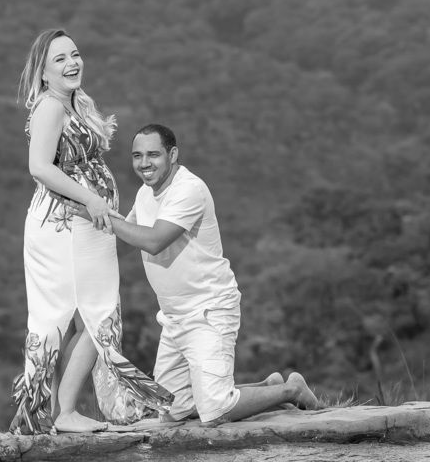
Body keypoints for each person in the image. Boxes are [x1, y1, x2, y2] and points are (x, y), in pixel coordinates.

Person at [10, 28, 166, 435]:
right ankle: (61, 413)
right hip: (66, 224)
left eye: (75, 54)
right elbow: (40, 167)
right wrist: (93, 200)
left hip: (87, 223)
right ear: (43, 73)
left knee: (93, 317)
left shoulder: (76, 103)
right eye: (59, 59)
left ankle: (61, 411)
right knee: (89, 316)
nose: (72, 63)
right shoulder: (49, 107)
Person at [108, 123, 319, 425]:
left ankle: (290, 390)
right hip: (174, 318)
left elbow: (153, 241)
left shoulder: (188, 189)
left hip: (209, 309)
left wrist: (102, 212)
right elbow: (128, 240)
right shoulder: (144, 193)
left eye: (153, 155)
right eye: (137, 155)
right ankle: (267, 388)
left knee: (215, 410)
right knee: (172, 410)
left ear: (173, 154)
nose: (144, 163)